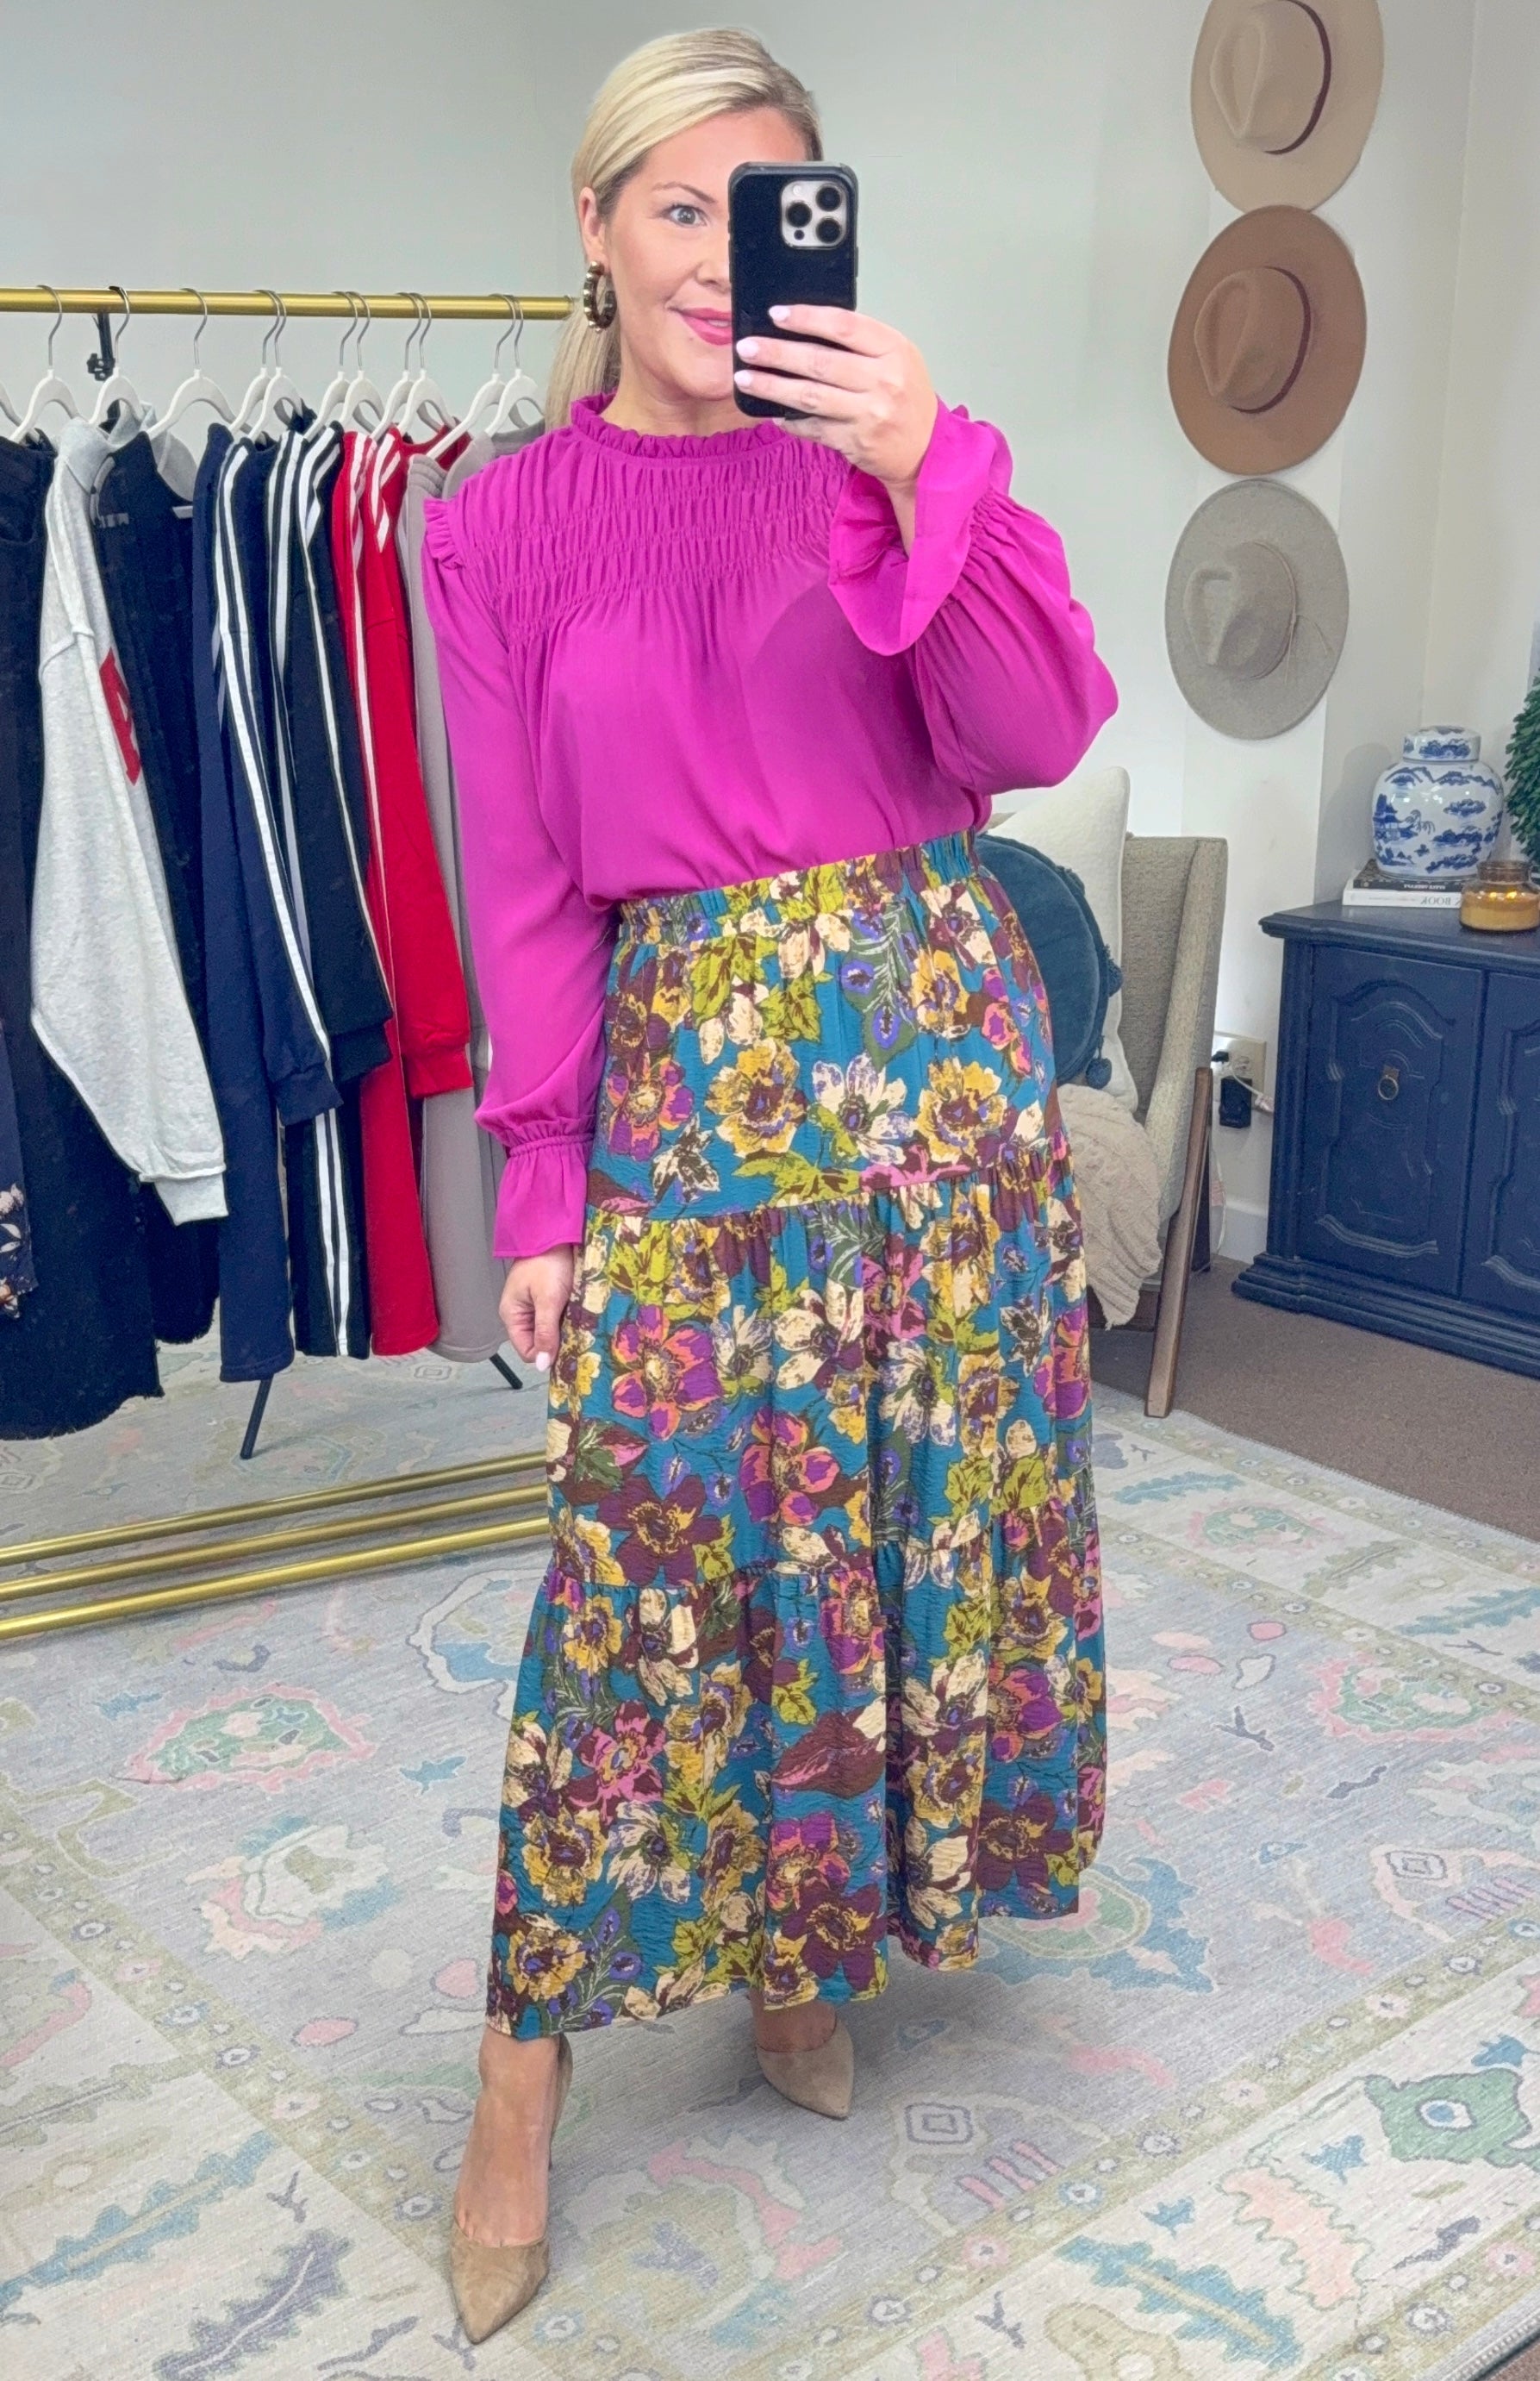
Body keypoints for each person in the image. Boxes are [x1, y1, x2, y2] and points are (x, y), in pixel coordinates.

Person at [421, 26, 1117, 2343]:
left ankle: (802, 1961)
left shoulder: (881, 464)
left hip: (938, 1078)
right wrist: (542, 1187)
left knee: (887, 1540)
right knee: (635, 1582)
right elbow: (528, 888)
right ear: (597, 229)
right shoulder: (496, 528)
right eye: (678, 209)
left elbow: (1037, 730)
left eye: (768, 210)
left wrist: (926, 468)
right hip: (697, 1091)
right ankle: (516, 2085)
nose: (722, 259)